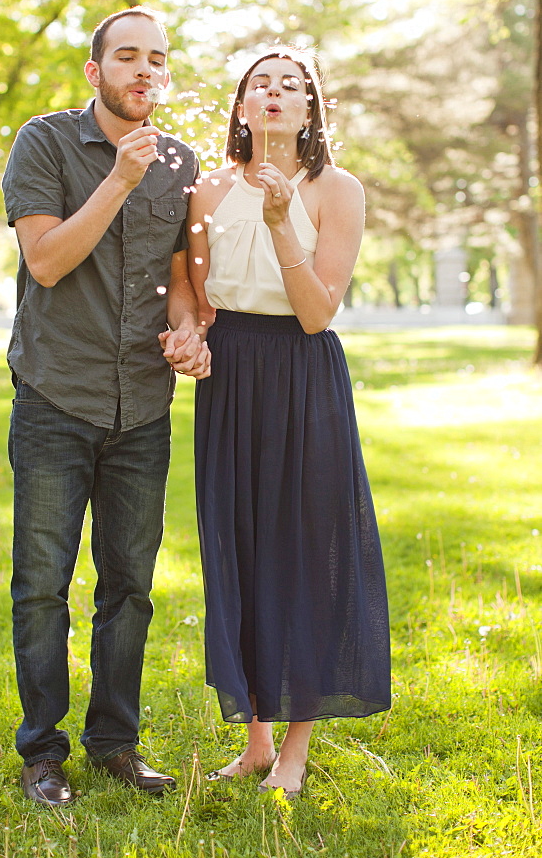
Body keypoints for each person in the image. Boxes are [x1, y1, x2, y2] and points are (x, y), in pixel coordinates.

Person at [2, 7, 210, 806]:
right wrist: (120, 178)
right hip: (56, 395)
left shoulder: (180, 161)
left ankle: (115, 744)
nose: (143, 70)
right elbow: (46, 261)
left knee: (129, 584)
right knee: (43, 583)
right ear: (96, 71)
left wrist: (189, 335)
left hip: (142, 408)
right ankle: (42, 754)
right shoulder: (45, 143)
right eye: (127, 56)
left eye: (156, 58)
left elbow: (184, 286)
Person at [181, 47, 390, 800]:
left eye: (292, 86)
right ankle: (256, 740)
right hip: (232, 377)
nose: (274, 93)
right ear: (241, 108)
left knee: (305, 546)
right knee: (236, 545)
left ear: (310, 112)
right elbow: (195, 298)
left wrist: (279, 224)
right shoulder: (204, 191)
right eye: (260, 84)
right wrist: (189, 334)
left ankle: (298, 746)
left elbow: (315, 312)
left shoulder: (337, 190)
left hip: (303, 372)